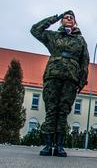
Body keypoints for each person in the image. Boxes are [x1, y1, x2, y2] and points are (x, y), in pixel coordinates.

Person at [31, 10, 90, 157]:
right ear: (62, 21)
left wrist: (81, 82)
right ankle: (48, 144)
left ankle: (59, 145)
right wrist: (54, 18)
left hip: (71, 78)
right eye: (65, 17)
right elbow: (35, 30)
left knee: (63, 111)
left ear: (75, 22)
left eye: (71, 18)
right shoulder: (53, 36)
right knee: (51, 110)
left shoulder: (80, 40)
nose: (68, 19)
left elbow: (85, 62)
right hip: (53, 76)